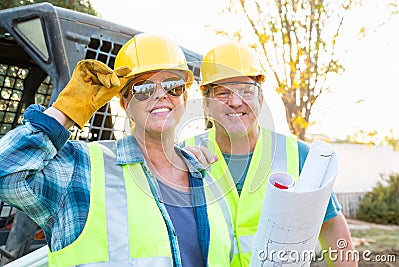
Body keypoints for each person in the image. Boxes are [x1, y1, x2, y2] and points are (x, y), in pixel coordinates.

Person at [0, 33, 232, 266]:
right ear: (125, 105)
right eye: (144, 88)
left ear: (183, 97)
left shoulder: (206, 175)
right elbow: (7, 169)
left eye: (173, 86)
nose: (161, 95)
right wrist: (65, 110)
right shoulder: (81, 170)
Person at [183, 42, 356, 266]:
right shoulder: (182, 157)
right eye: (223, 93)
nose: (236, 102)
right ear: (205, 104)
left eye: (246, 91)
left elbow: (332, 225)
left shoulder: (299, 156)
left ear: (261, 100)